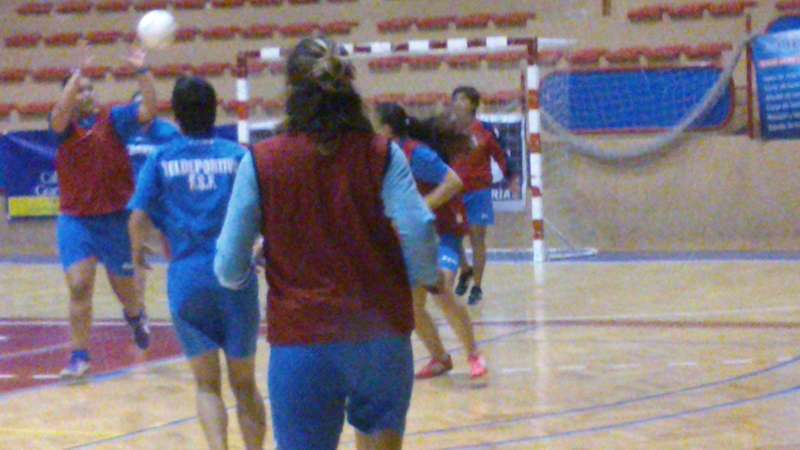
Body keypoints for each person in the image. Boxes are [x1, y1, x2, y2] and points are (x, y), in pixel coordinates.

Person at [214, 37, 440, 450]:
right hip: (381, 335)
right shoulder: (383, 153)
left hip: (303, 339)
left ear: (290, 89)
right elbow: (419, 225)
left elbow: (229, 266)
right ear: (349, 85)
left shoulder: (261, 160)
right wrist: (425, 276)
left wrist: (245, 270)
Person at [128, 76, 266, 450]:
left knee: (207, 385)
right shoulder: (239, 156)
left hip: (188, 279)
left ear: (176, 115)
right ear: (215, 110)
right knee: (245, 384)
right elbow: (265, 212)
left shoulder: (161, 158)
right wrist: (260, 246)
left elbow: (137, 218)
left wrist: (139, 256)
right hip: (235, 276)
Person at [49, 48, 155, 378]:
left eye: (89, 88)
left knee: (125, 290)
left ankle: (135, 316)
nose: (86, 93)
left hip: (114, 219)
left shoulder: (113, 119)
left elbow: (149, 109)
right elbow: (59, 114)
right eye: (79, 89)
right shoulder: (62, 125)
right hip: (76, 220)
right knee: (79, 286)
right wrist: (76, 75)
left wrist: (142, 72)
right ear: (69, 95)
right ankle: (80, 357)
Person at [376, 103, 488, 380]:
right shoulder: (382, 156)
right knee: (413, 306)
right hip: (414, 237)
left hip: (442, 231)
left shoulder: (416, 153)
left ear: (386, 128)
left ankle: (473, 354)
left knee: (442, 291)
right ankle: (440, 358)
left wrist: (422, 207)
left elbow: (453, 182)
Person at [450, 86, 509, 306]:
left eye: (463, 99)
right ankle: (465, 270)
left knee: (477, 238)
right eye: (455, 99)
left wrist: (508, 177)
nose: (457, 103)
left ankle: (477, 286)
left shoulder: (485, 130)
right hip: (454, 193)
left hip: (479, 193)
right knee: (453, 237)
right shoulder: (448, 131)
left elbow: (501, 156)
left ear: (473, 105)